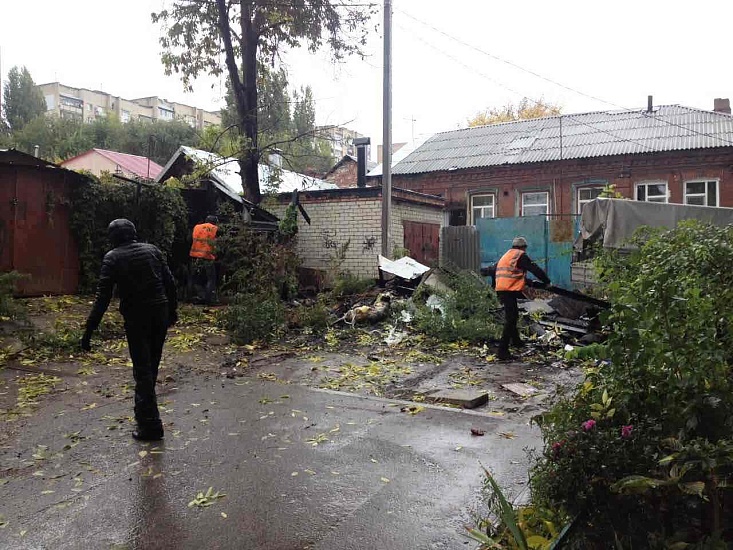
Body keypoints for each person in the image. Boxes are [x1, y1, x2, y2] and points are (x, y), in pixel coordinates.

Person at [80, 219, 177, 441]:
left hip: (137, 317)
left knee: (143, 371)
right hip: (159, 313)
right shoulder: (152, 250)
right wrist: (172, 311)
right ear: (133, 233)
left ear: (112, 237)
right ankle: (145, 417)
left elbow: (102, 298)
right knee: (150, 367)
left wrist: (88, 331)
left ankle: (151, 426)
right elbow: (170, 283)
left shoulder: (112, 257)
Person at [495, 236, 550, 361]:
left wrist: (529, 282)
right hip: (508, 290)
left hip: (502, 289)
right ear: (523, 247)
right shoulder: (520, 255)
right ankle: (502, 351)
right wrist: (547, 282)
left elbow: (513, 273)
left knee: (513, 316)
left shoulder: (508, 255)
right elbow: (534, 269)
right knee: (511, 319)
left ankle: (516, 342)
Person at [189, 215, 219, 304]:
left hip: (194, 257)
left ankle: (193, 297)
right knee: (211, 279)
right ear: (214, 222)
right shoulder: (214, 228)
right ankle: (208, 300)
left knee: (194, 278)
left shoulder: (197, 227)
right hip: (207, 257)